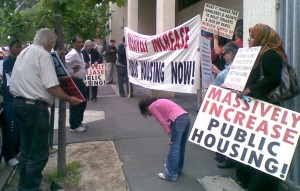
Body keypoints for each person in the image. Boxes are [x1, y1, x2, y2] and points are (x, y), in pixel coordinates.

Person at [9, 28, 82, 191]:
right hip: (34, 107)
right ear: (49, 43)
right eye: (52, 46)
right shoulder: (43, 55)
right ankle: (30, 188)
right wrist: (70, 98)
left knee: (27, 151)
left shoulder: (25, 51)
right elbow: (52, 87)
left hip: (19, 104)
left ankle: (25, 186)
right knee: (38, 153)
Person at [235, 23, 284, 191]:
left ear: (262, 37)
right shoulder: (260, 53)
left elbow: (273, 79)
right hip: (257, 106)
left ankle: (259, 186)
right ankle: (250, 181)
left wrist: (249, 89)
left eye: (253, 36)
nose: (249, 39)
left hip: (265, 108)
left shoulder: (270, 54)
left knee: (261, 149)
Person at [138, 98, 190, 182]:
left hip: (177, 120)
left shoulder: (151, 106)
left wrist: (170, 133)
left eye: (147, 114)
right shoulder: (159, 102)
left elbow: (162, 121)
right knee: (180, 147)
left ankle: (170, 174)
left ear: (145, 108)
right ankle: (177, 169)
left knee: (174, 147)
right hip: (185, 118)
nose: (149, 115)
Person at [212, 42, 239, 168]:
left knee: (225, 133)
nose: (222, 57)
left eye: (224, 54)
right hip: (229, 107)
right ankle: (224, 157)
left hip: (226, 107)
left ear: (231, 54)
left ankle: (225, 158)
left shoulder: (227, 72)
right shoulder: (233, 69)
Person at [1, 40, 22, 167]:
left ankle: (15, 152)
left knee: (18, 128)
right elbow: (14, 76)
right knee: (11, 128)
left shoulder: (17, 60)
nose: (19, 49)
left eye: (20, 46)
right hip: (10, 99)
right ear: (10, 48)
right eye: (17, 47)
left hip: (16, 97)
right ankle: (8, 156)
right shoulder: (9, 61)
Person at [65, 35, 88, 132]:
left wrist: (84, 66)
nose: (81, 44)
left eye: (82, 42)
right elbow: (62, 63)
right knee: (77, 102)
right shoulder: (72, 54)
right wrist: (71, 71)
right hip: (75, 80)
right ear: (73, 43)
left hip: (80, 80)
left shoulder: (80, 53)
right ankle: (74, 125)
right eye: (78, 42)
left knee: (83, 100)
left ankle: (78, 122)